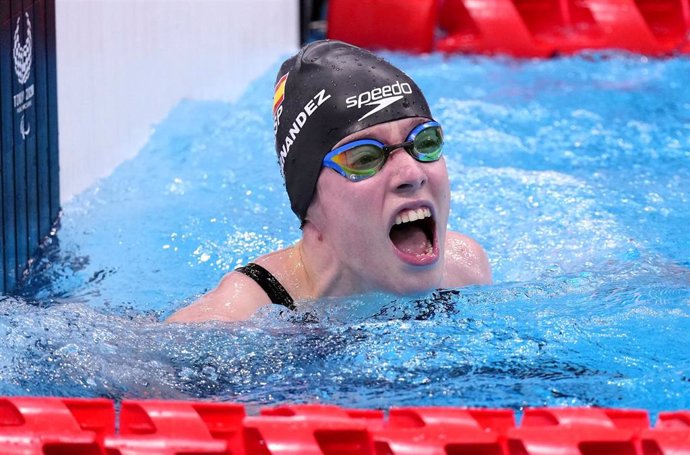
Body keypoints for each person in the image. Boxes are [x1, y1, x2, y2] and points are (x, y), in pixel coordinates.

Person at [167, 40, 491, 323]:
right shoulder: (245, 314)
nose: (412, 174)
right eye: (365, 158)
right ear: (310, 202)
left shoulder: (463, 270)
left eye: (424, 143)